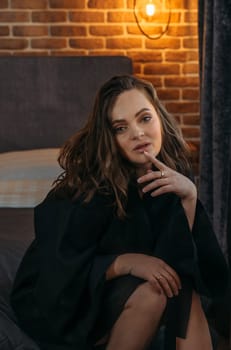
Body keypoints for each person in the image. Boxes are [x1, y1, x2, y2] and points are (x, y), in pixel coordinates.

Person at [11, 75, 228, 350]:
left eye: (145, 118)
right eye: (121, 127)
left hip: (128, 285)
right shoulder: (88, 188)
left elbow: (179, 260)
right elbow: (60, 268)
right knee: (156, 291)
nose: (137, 133)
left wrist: (189, 197)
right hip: (61, 296)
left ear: (160, 119)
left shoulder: (172, 173)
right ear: (109, 137)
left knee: (180, 285)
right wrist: (125, 261)